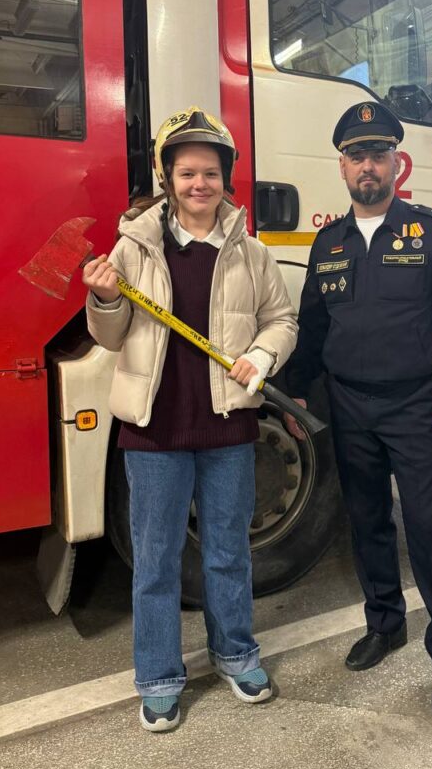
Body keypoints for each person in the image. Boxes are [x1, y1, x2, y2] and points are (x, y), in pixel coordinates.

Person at [84, 107, 297, 732]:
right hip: (153, 430)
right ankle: (157, 676)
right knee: (156, 560)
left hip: (228, 427)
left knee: (228, 552)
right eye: (186, 173)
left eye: (210, 173)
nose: (199, 184)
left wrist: (261, 357)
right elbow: (110, 335)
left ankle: (236, 654)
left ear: (225, 179)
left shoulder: (252, 254)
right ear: (167, 179)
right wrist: (104, 298)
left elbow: (281, 320)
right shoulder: (133, 247)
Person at [283, 101, 432, 721]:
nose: (367, 166)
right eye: (356, 156)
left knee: (425, 526)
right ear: (342, 167)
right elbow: (313, 327)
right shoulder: (328, 243)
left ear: (397, 164)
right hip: (348, 404)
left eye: (377, 154)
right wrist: (295, 392)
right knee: (367, 521)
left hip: (413, 406)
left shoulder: (430, 233)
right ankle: (385, 624)